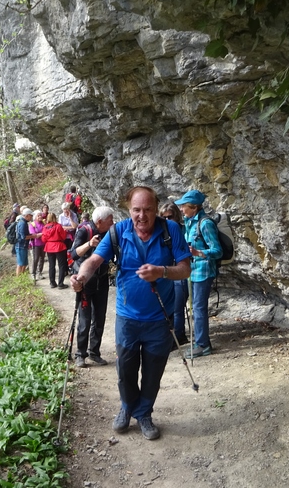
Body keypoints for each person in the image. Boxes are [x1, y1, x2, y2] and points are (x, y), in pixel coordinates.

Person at [71, 186, 191, 440]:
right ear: (128, 209)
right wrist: (80, 278)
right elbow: (94, 260)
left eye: (148, 209)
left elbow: (185, 268)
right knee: (125, 369)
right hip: (128, 318)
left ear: (156, 209)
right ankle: (127, 408)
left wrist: (161, 271)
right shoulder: (118, 232)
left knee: (153, 371)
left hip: (160, 318)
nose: (142, 215)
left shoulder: (170, 230)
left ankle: (144, 413)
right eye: (136, 210)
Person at [174, 190, 222, 359]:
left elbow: (217, 251)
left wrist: (198, 252)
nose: (181, 209)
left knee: (199, 308)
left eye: (183, 206)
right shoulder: (189, 222)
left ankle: (203, 345)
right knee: (194, 307)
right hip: (192, 271)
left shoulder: (205, 223)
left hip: (203, 271)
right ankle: (200, 342)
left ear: (194, 207)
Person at [70, 206, 115, 368]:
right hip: (85, 281)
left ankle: (94, 352)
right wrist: (90, 244)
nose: (113, 222)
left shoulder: (110, 233)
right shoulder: (84, 230)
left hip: (101, 280)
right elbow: (73, 254)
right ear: (100, 221)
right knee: (85, 319)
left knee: (100, 317)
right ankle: (80, 354)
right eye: (110, 220)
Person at [160, 202, 190, 347]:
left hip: (180, 272)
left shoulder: (183, 229)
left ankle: (178, 337)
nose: (167, 220)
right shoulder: (161, 231)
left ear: (176, 216)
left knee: (177, 307)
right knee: (168, 307)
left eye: (170, 217)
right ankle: (174, 336)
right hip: (167, 272)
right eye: (164, 217)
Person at [42, 212, 69, 289]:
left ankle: (52, 283)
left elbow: (43, 239)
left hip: (49, 246)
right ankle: (60, 283)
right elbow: (63, 237)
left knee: (51, 265)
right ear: (55, 217)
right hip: (59, 246)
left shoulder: (45, 227)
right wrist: (65, 232)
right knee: (61, 265)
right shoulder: (58, 226)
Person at [15, 208, 35, 276]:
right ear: (27, 215)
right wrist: (34, 236)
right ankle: (19, 279)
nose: (31, 217)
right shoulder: (22, 223)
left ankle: (22, 277)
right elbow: (24, 237)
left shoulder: (24, 222)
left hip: (23, 246)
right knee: (20, 264)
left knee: (24, 263)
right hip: (21, 246)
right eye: (31, 216)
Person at [29, 210, 45, 281]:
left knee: (42, 258)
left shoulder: (44, 223)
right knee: (36, 259)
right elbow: (34, 235)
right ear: (35, 217)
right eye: (38, 216)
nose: (40, 217)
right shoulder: (32, 224)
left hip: (43, 243)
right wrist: (42, 234)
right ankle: (33, 273)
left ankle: (39, 272)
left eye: (40, 215)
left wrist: (40, 234)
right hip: (36, 244)